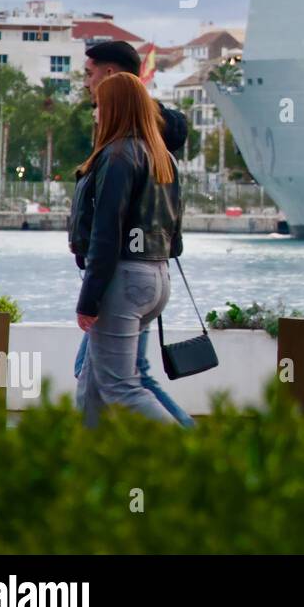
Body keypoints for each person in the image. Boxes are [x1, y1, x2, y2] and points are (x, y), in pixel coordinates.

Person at [70, 41, 193, 426]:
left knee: (121, 385)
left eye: (101, 104)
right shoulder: (160, 155)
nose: (95, 110)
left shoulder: (119, 155)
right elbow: (173, 228)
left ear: (116, 106)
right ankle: (86, 458)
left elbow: (107, 232)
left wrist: (89, 299)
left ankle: (197, 454)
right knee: (93, 382)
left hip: (123, 278)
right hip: (154, 274)